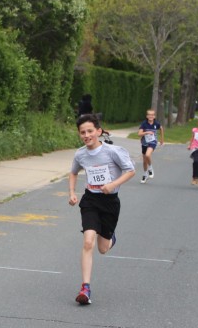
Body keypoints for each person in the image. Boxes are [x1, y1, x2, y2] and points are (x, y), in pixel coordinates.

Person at [69, 114, 136, 305]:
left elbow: (130, 170)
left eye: (90, 131)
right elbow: (73, 173)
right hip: (90, 200)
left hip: (110, 202)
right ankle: (85, 288)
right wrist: (72, 193)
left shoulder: (113, 151)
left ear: (98, 131)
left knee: (103, 248)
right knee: (88, 242)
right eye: (83, 132)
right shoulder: (80, 154)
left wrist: (113, 184)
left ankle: (110, 237)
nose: (86, 135)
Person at [137, 108, 164, 182]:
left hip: (153, 142)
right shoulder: (144, 123)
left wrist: (162, 139)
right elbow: (139, 134)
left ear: (154, 116)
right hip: (144, 143)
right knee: (144, 161)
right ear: (147, 116)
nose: (151, 116)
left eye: (152, 115)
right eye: (149, 115)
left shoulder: (156, 123)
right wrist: (146, 132)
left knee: (148, 155)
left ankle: (150, 168)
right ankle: (145, 174)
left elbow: (161, 128)